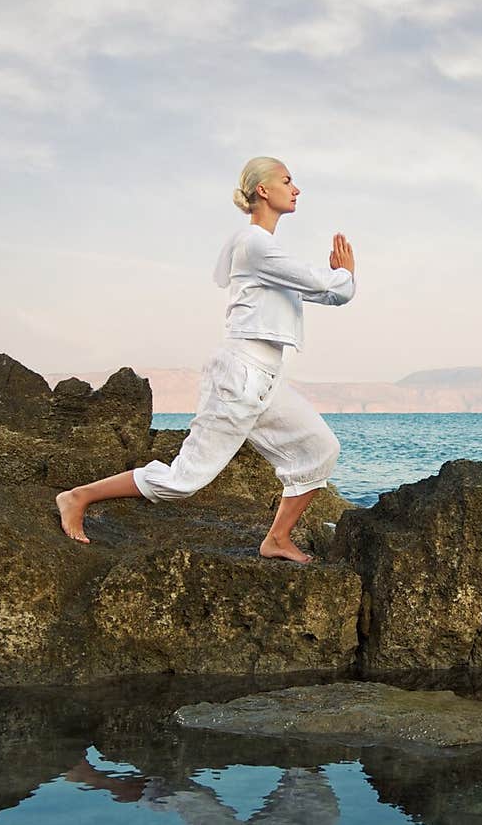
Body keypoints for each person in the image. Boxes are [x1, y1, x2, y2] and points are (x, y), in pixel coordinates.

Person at [55, 156, 356, 563]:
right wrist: (345, 276)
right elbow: (325, 284)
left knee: (320, 450)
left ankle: (277, 540)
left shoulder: (267, 251)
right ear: (263, 190)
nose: (296, 189)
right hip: (239, 376)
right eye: (288, 181)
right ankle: (78, 497)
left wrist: (341, 282)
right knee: (183, 481)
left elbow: (326, 292)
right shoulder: (254, 244)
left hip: (267, 379)